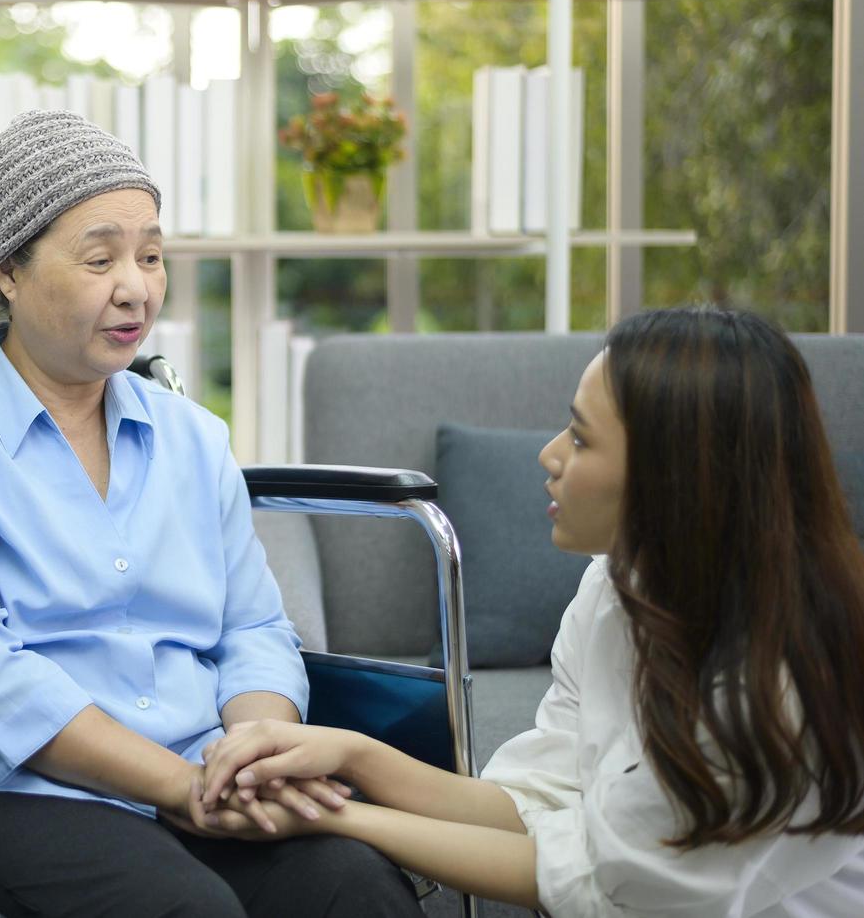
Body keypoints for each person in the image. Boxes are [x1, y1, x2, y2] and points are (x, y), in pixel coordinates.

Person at [0, 109, 422, 917]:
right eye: (100, 258)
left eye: (151, 256)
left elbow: (254, 630)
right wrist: (179, 787)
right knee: (185, 909)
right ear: (9, 272)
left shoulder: (191, 438)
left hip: (206, 771)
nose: (137, 287)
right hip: (15, 790)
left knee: (355, 886)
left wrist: (253, 754)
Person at [197, 305, 864, 914]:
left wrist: (334, 817)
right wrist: (349, 756)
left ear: (673, 474)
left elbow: (607, 891)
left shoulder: (773, 685)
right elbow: (534, 802)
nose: (547, 456)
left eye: (579, 439)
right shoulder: (616, 587)